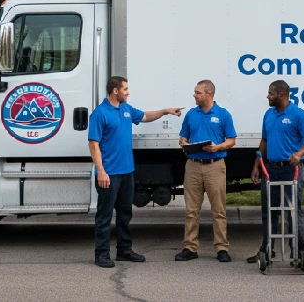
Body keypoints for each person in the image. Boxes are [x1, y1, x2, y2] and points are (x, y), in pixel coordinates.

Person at [88, 76, 183, 268]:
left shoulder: (126, 109)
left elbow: (145, 116)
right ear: (115, 91)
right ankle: (101, 254)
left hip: (127, 172)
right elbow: (93, 144)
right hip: (109, 173)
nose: (128, 92)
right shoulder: (100, 114)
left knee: (125, 214)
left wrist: (165, 111)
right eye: (126, 89)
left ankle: (124, 250)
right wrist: (101, 171)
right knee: (105, 215)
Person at [246, 79, 304, 264]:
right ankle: (267, 249)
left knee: (293, 211)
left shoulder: (298, 114)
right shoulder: (268, 115)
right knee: (269, 211)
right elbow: (264, 141)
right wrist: (257, 165)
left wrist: (299, 154)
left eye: (270, 93)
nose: (267, 97)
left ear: (282, 95)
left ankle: (298, 251)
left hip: (291, 170)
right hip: (271, 169)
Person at [174, 80, 238, 262]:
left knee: (218, 210)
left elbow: (232, 140)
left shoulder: (223, 114)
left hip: (215, 165)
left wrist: (218, 147)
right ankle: (190, 247)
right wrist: (184, 142)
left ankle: (221, 248)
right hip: (193, 165)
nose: (194, 95)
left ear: (208, 93)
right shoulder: (191, 115)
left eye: (197, 92)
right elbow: (183, 137)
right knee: (191, 210)